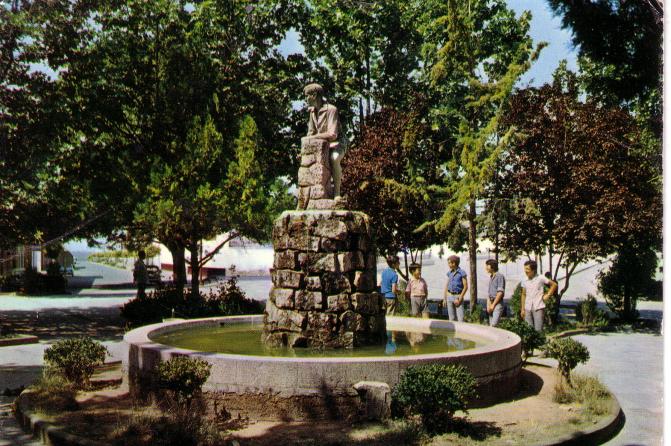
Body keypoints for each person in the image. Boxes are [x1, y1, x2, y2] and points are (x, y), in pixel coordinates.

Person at [304, 83, 347, 198]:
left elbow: (333, 134)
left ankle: (337, 193)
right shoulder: (312, 111)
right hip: (321, 145)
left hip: (337, 143)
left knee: (334, 158)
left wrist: (314, 137)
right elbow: (310, 133)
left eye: (307, 96)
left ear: (314, 95)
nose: (305, 99)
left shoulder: (332, 109)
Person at [520, 260, 558, 331]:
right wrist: (522, 309)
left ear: (533, 270)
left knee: (538, 331)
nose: (525, 271)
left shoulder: (540, 278)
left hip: (538, 307)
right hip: (527, 308)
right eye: (525, 269)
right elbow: (523, 294)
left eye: (527, 269)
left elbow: (554, 285)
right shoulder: (524, 280)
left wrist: (548, 295)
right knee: (528, 331)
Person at [443, 255, 468, 322]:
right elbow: (447, 285)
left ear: (454, 263)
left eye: (449, 263)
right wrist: (445, 299)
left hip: (458, 296)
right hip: (449, 296)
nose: (448, 265)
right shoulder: (449, 273)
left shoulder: (462, 273)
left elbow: (465, 287)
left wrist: (460, 298)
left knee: (460, 319)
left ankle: (462, 331)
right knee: (451, 319)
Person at [485, 259, 505, 327]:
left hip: (497, 303)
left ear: (492, 266)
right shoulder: (491, 277)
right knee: (491, 325)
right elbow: (489, 293)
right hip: (491, 303)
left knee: (494, 325)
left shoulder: (499, 276)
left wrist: (493, 305)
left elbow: (500, 293)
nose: (486, 268)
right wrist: (488, 305)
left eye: (487, 266)